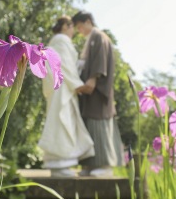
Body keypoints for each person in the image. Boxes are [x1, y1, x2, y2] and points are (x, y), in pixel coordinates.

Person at [39, 16, 95, 177]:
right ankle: (59, 165)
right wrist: (78, 84)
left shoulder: (55, 41)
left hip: (61, 88)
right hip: (62, 89)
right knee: (62, 123)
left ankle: (59, 164)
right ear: (64, 26)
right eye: (71, 27)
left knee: (61, 122)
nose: (73, 31)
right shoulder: (62, 40)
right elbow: (65, 66)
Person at [73, 11, 124, 177]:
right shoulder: (90, 39)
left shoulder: (99, 37)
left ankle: (105, 165)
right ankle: (90, 166)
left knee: (100, 126)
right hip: (90, 95)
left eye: (80, 27)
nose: (80, 31)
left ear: (88, 21)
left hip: (97, 91)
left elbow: (99, 62)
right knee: (89, 127)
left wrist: (93, 79)